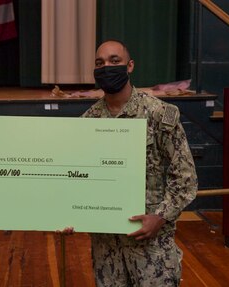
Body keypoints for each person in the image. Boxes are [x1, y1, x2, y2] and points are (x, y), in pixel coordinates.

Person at [81, 40, 198, 286]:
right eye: (99, 63)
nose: (106, 68)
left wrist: (161, 217)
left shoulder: (158, 113)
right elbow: (80, 180)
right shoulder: (88, 121)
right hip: (107, 251)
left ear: (130, 66)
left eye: (115, 61)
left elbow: (185, 178)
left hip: (151, 247)